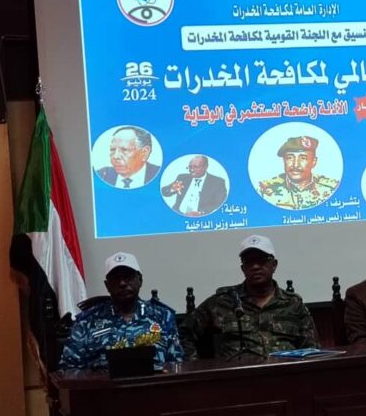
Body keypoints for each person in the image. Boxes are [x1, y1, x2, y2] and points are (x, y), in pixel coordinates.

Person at [179, 235, 318, 359]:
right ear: (243, 269)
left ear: (274, 265)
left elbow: (312, 350)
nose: (255, 266)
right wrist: (196, 365)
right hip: (237, 377)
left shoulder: (293, 303)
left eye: (261, 260)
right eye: (249, 262)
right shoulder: (223, 301)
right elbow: (183, 333)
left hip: (284, 375)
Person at [59, 252, 183, 369]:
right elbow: (68, 369)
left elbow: (177, 364)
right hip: (104, 384)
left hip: (155, 384)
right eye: (115, 279)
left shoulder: (162, 316)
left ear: (140, 280)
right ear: (107, 285)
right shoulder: (87, 322)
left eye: (128, 277)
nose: (122, 283)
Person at [258, 135, 339, 210]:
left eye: (303, 158)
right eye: (290, 158)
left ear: (313, 162)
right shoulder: (264, 190)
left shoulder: (332, 189)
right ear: (284, 161)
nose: (295, 165)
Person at [161, 155, 227, 216]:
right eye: (190, 167)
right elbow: (164, 192)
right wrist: (172, 189)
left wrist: (201, 213)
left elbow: (220, 203)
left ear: (205, 167)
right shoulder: (182, 178)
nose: (191, 170)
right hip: (177, 214)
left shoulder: (217, 182)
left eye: (196, 167)